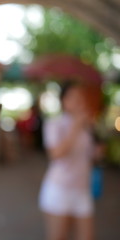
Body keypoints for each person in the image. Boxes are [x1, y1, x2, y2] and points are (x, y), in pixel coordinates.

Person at [39, 82, 96, 240]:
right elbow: (56, 154)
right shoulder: (55, 124)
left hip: (82, 189)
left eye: (81, 98)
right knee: (58, 236)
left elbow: (88, 154)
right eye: (74, 97)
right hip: (59, 189)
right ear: (64, 100)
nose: (79, 101)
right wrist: (76, 127)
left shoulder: (87, 125)